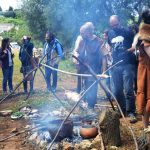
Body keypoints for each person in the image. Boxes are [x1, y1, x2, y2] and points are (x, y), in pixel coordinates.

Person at [108, 15, 137, 123]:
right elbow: (110, 46)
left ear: (119, 22)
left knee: (128, 89)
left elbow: (135, 46)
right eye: (112, 25)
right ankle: (122, 110)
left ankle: (131, 112)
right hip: (115, 65)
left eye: (116, 24)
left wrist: (128, 51)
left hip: (128, 64)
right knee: (117, 90)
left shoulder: (128, 32)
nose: (115, 27)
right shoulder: (111, 33)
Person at [73, 22, 105, 108]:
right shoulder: (82, 41)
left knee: (92, 91)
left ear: (89, 32)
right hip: (83, 70)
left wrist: (103, 72)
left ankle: (91, 109)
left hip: (93, 71)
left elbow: (104, 57)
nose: (81, 35)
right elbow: (76, 51)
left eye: (82, 33)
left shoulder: (99, 41)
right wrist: (75, 56)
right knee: (82, 90)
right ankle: (83, 107)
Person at [135, 9, 150, 131]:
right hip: (147, 69)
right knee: (147, 97)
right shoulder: (146, 31)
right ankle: (146, 127)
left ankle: (146, 126)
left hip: (145, 67)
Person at [101, 29, 113, 99]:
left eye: (105, 35)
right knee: (107, 82)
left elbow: (111, 57)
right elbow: (104, 58)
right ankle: (108, 96)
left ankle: (113, 96)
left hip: (112, 65)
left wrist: (106, 52)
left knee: (112, 82)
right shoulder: (105, 44)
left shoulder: (112, 44)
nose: (104, 37)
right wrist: (104, 70)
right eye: (104, 35)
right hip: (108, 66)